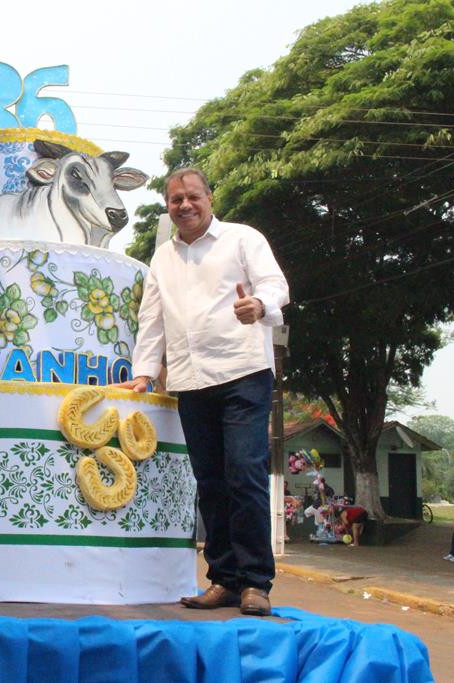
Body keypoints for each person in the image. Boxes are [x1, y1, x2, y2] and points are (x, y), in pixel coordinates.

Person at [120, 168, 289, 617]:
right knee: (211, 483)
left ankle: (256, 583)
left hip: (243, 373)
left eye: (192, 196)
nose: (184, 206)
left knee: (245, 473)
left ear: (209, 198)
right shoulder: (162, 258)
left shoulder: (242, 239)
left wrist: (259, 305)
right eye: (175, 200)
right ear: (168, 206)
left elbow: (276, 286)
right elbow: (152, 321)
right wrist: (142, 372)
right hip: (191, 382)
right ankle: (224, 580)